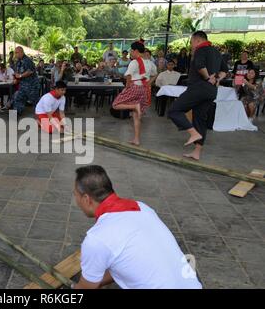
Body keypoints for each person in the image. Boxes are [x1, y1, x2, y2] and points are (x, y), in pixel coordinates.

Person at [72, 165, 202, 289]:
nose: (76, 201)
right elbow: (125, 259)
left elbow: (85, 288)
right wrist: (96, 279)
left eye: (75, 195)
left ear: (86, 199)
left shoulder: (97, 239)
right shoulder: (142, 208)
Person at [168, 31, 228, 161]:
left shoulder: (200, 50)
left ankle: (193, 133)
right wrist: (216, 79)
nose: (191, 45)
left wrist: (208, 77)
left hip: (199, 88)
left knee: (174, 110)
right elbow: (225, 70)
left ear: (197, 40)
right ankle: (196, 152)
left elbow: (200, 66)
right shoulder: (216, 52)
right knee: (200, 119)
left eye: (191, 42)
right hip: (211, 91)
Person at [112, 41, 153, 146]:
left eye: (131, 50)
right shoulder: (149, 62)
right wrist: (148, 84)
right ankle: (136, 139)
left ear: (135, 51)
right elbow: (154, 74)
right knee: (136, 116)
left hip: (135, 87)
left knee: (115, 105)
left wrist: (126, 88)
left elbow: (129, 77)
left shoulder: (134, 62)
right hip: (143, 89)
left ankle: (135, 105)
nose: (130, 52)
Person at [12, 46, 40, 116]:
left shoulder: (27, 60)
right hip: (23, 85)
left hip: (31, 86)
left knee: (35, 101)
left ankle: (42, 116)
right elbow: (17, 72)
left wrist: (20, 76)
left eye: (17, 52)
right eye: (15, 53)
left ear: (21, 52)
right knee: (17, 98)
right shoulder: (18, 61)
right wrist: (16, 78)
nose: (15, 54)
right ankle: (16, 114)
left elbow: (30, 71)